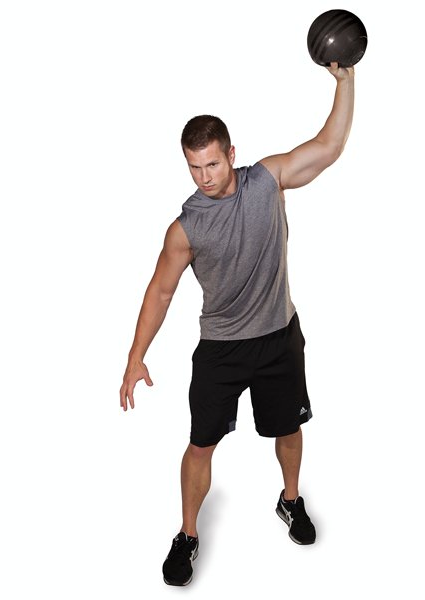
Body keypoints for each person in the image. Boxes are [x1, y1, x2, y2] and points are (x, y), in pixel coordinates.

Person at [119, 62, 355, 586]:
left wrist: (345, 83)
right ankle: (188, 533)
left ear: (231, 153)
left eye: (211, 164)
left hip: (278, 337)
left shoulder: (267, 181)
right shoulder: (186, 227)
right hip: (221, 348)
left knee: (288, 428)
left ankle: (290, 500)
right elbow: (160, 291)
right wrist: (136, 356)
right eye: (193, 168)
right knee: (200, 444)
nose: (204, 177)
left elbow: (328, 146)